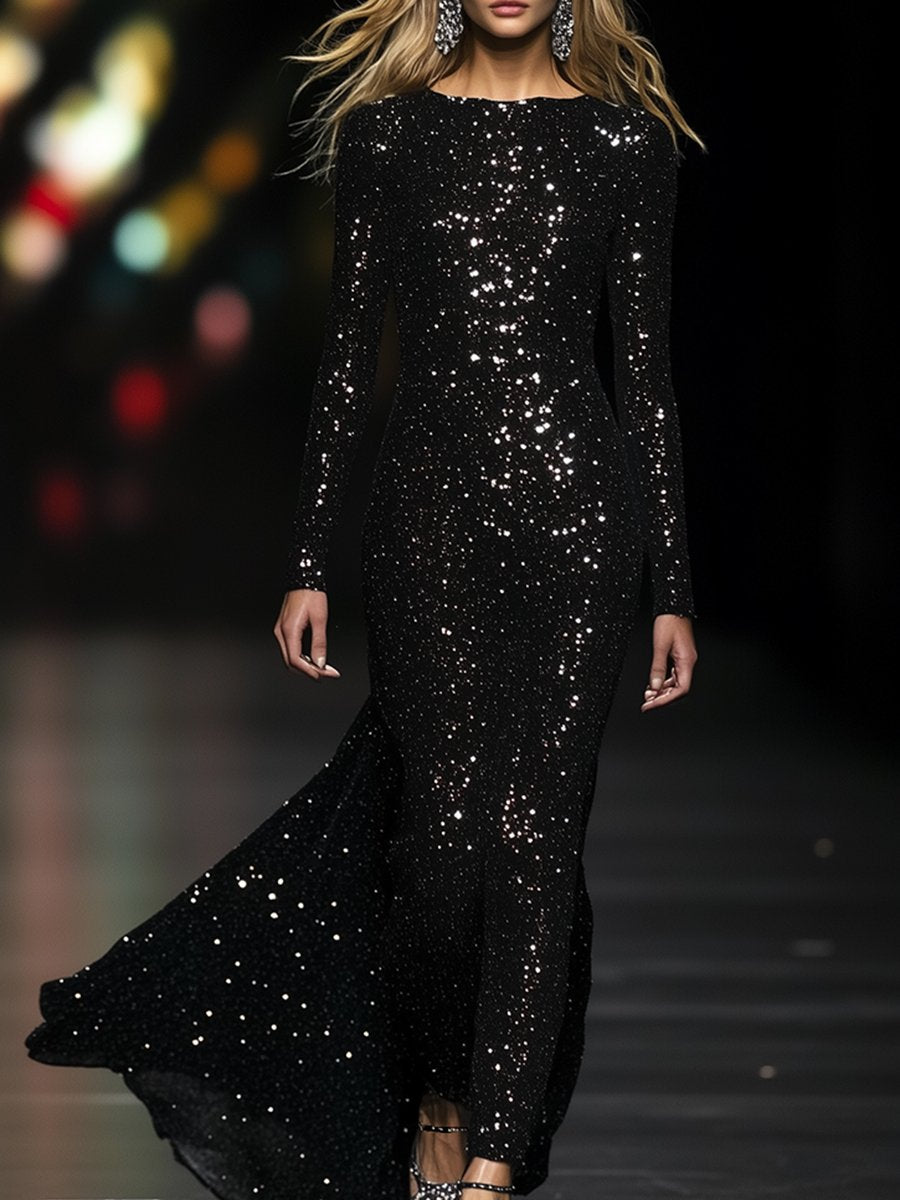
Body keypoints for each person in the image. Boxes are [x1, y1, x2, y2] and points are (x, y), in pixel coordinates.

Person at [25, 2, 702, 1198]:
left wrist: (672, 588)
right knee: (438, 842)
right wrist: (307, 563)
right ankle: (440, 1099)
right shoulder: (388, 138)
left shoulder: (625, 145)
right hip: (426, 520)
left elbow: (645, 376)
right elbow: (347, 358)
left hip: (582, 526)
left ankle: (492, 1165)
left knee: (534, 840)